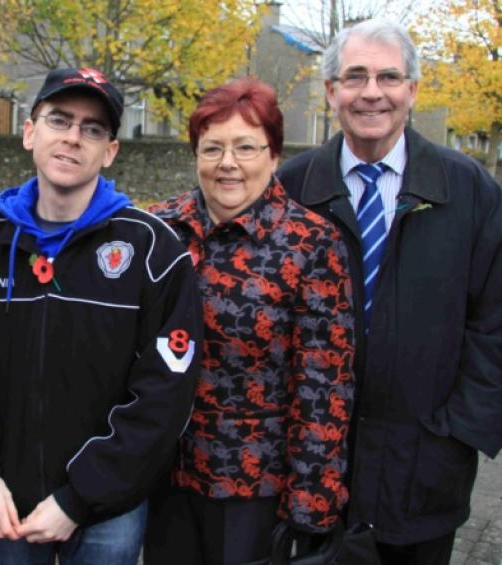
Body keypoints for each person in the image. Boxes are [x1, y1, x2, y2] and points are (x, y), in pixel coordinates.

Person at [0, 67, 201, 564]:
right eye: (59, 120)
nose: (72, 138)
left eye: (93, 129)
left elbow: (165, 393)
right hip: (8, 500)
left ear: (110, 151)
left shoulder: (151, 250)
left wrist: (79, 495)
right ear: (29, 131)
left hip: (109, 505)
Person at [276, 18, 502, 565]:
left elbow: (494, 319)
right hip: (308, 469)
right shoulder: (293, 187)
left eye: (388, 77)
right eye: (354, 77)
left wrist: (459, 430)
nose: (371, 92)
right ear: (331, 91)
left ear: (412, 90)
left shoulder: (466, 187)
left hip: (424, 469)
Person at [143, 77, 356, 564]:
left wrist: (311, 506)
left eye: (245, 147)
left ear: (274, 156)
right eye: (212, 147)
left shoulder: (311, 243)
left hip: (254, 489)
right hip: (163, 478)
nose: (228, 163)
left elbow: (324, 387)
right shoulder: (159, 230)